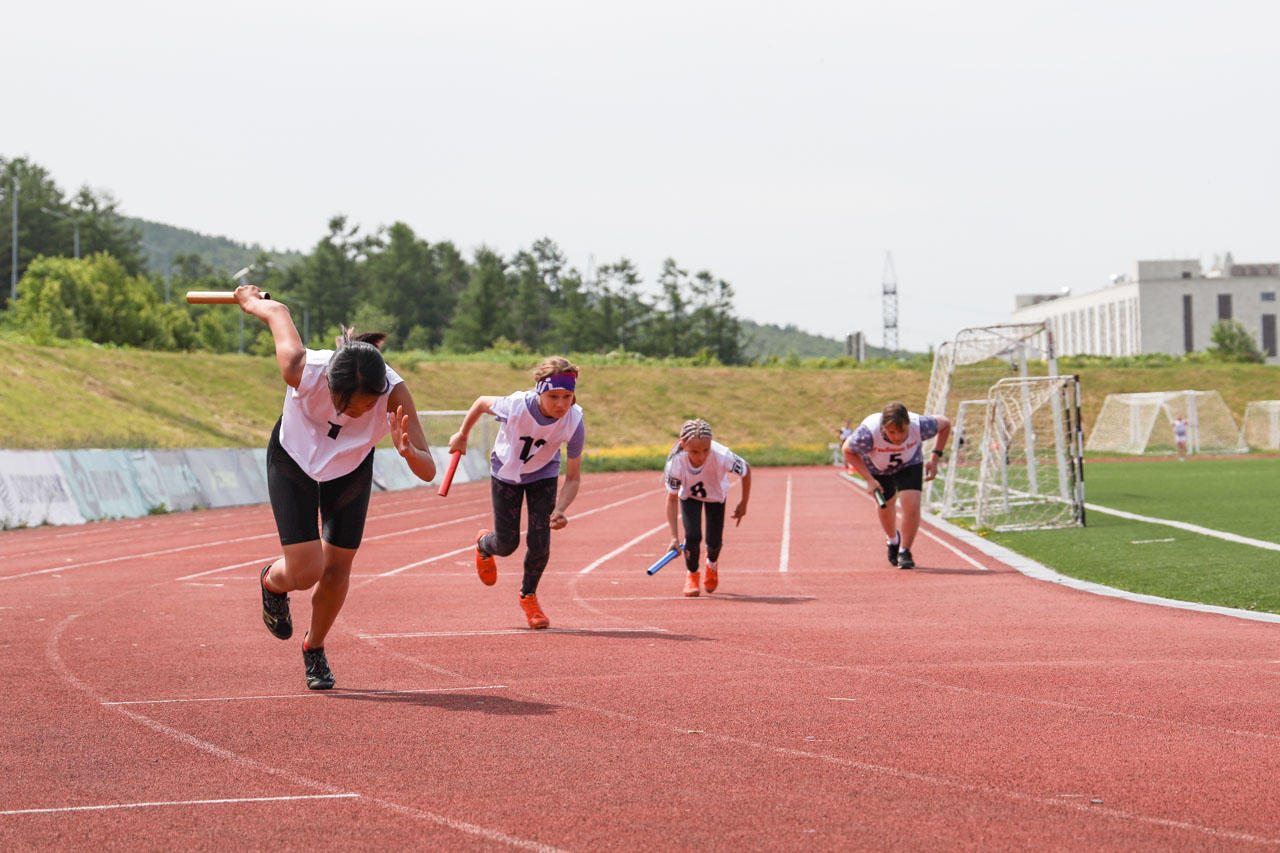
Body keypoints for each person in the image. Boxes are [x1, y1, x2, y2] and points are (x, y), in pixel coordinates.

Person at [237, 284, 438, 690]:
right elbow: (279, 313)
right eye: (346, 403)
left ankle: (315, 648)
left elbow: (428, 469)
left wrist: (405, 452)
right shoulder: (302, 368)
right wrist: (251, 301)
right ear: (329, 380)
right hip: (293, 459)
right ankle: (272, 582)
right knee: (305, 570)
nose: (356, 412)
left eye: (365, 406)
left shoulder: (393, 392)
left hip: (349, 471)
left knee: (336, 568)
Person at [448, 357, 585, 629]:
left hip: (543, 474)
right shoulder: (515, 405)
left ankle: (529, 596)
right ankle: (483, 545)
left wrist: (560, 509)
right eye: (553, 396)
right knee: (507, 544)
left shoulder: (574, 422)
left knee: (540, 542)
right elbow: (481, 402)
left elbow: (572, 477)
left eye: (567, 396)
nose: (561, 404)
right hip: (506, 473)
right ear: (539, 392)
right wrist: (463, 434)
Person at [843, 401, 951, 570]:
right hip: (877, 468)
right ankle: (893, 540)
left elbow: (945, 423)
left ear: (909, 424)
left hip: (909, 463)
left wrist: (935, 457)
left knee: (912, 504)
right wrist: (869, 479)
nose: (898, 437)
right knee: (887, 505)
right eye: (892, 432)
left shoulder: (921, 425)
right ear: (883, 428)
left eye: (902, 431)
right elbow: (847, 450)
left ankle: (905, 551)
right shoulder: (868, 434)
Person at [663, 419, 751, 597]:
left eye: (706, 450)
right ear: (683, 445)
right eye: (694, 452)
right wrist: (674, 537)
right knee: (693, 536)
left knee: (714, 542)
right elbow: (671, 499)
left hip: (716, 496)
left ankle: (711, 564)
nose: (701, 456)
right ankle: (692, 574)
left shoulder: (722, 455)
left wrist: (743, 503)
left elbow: (746, 470)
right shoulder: (675, 462)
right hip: (689, 496)